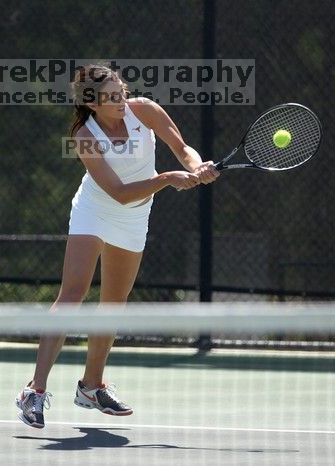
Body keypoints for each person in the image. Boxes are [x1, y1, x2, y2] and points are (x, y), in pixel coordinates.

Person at [16, 64, 219, 428]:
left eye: (122, 90)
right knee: (72, 293)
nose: (121, 100)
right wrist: (168, 178)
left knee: (113, 302)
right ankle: (35, 390)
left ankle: (91, 387)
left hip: (133, 218)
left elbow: (181, 146)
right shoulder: (84, 136)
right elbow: (120, 193)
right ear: (92, 103)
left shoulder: (145, 110)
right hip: (97, 209)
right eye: (111, 97)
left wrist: (195, 165)